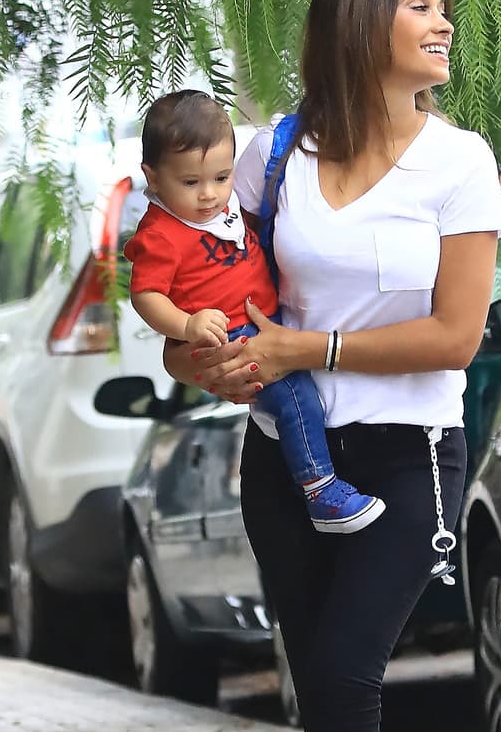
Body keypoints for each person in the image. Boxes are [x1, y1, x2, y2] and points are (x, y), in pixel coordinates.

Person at [162, 0, 501, 732]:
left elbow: (455, 337)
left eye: (442, 7)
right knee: (328, 692)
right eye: (419, 7)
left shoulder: (460, 163)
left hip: (408, 458)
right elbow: (218, 301)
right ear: (362, 26)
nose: (442, 23)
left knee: (351, 676)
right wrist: (202, 353)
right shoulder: (272, 157)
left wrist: (307, 353)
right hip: (285, 457)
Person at [125, 90, 383, 532]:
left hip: (269, 320)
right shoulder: (161, 233)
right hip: (236, 335)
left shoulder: (224, 206)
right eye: (190, 183)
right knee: (296, 399)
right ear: (152, 175)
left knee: (304, 395)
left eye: (221, 177)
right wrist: (187, 325)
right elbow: (146, 295)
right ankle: (320, 489)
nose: (209, 194)